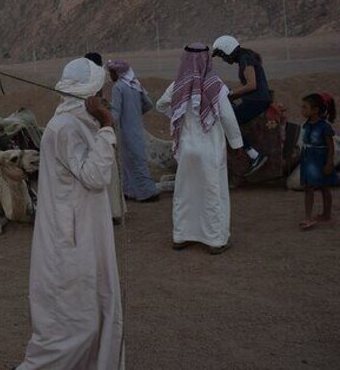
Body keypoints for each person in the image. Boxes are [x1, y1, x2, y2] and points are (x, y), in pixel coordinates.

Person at [17, 58, 124, 370]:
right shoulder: (65, 128)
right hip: (71, 238)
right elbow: (94, 176)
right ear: (88, 95)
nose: (104, 97)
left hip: (83, 231)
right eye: (100, 92)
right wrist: (106, 126)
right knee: (76, 322)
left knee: (88, 312)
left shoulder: (74, 123)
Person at [156, 44, 243, 255]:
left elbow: (161, 105)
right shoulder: (216, 86)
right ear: (207, 60)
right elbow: (228, 118)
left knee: (185, 192)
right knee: (212, 192)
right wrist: (237, 145)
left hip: (187, 150)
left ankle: (181, 236)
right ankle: (215, 240)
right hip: (210, 150)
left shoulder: (177, 85)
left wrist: (180, 119)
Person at [211, 35, 271, 176]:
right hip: (255, 99)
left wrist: (230, 95)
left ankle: (254, 155)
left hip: (257, 100)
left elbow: (251, 85)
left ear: (227, 50)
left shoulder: (246, 59)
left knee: (230, 122)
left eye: (222, 55)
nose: (223, 59)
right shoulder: (246, 58)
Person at [106, 60, 160, 203]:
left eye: (111, 73)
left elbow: (116, 113)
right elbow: (148, 104)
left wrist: (106, 121)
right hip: (137, 129)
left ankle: (147, 192)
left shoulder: (118, 87)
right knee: (133, 161)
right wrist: (134, 113)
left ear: (117, 73)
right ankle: (129, 191)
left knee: (134, 162)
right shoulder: (135, 85)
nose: (109, 76)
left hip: (125, 131)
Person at [86, 52, 127, 224]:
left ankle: (110, 212)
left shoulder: (91, 78)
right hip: (101, 123)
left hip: (97, 125)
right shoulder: (98, 77)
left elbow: (93, 103)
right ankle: (114, 211)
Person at [298, 93, 337, 230]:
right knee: (308, 187)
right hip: (308, 160)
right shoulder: (307, 124)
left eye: (305, 107)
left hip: (320, 161)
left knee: (324, 187)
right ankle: (308, 217)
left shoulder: (324, 127)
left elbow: (331, 147)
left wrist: (329, 163)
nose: (302, 110)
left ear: (315, 110)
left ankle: (326, 214)